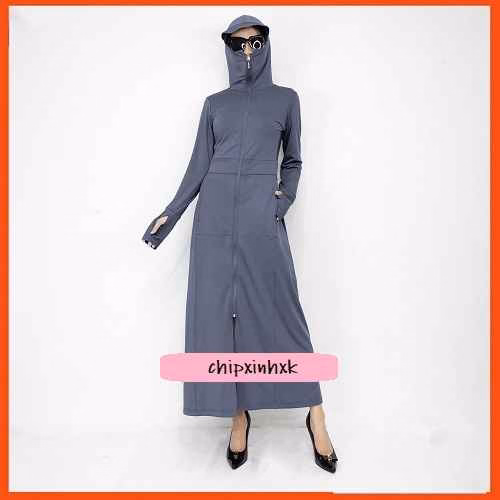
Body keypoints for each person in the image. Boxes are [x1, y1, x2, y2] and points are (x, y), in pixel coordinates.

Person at [142, 14, 338, 473]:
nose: (246, 51)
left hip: (260, 218)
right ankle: (238, 415)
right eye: (237, 44)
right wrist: (170, 214)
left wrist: (281, 201)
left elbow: (293, 160)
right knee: (220, 321)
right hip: (213, 222)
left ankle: (316, 413)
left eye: (255, 42)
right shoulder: (215, 105)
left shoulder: (286, 99)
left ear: (266, 46)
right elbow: (198, 166)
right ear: (228, 49)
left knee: (283, 311)